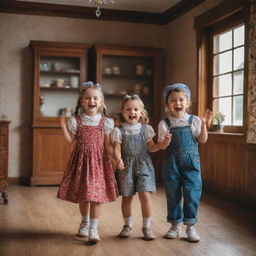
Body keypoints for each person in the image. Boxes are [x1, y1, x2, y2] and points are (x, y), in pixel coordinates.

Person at [57, 81, 118, 243]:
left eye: (95, 98)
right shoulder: (76, 121)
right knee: (84, 195)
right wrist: (63, 127)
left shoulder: (105, 122)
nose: (92, 101)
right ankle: (84, 222)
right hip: (81, 163)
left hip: (98, 163)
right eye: (88, 98)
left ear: (100, 102)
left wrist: (117, 158)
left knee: (95, 196)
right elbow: (71, 141)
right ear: (82, 101)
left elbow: (107, 146)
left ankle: (93, 228)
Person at [158, 83, 213, 242]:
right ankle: (175, 225)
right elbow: (161, 146)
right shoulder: (164, 124)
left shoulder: (194, 120)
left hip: (191, 163)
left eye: (181, 100)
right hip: (171, 164)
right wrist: (165, 142)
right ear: (167, 105)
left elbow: (202, 140)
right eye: (173, 100)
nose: (178, 103)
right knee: (173, 194)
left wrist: (204, 124)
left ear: (187, 103)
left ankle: (190, 226)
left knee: (192, 193)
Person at [112, 94, 160, 240]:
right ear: (122, 111)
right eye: (128, 109)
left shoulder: (146, 129)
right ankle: (127, 226)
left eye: (135, 109)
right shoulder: (119, 131)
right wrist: (118, 159)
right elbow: (117, 148)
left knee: (145, 195)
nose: (132, 112)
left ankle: (147, 227)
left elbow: (151, 147)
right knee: (127, 197)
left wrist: (161, 145)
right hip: (125, 166)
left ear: (141, 112)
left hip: (143, 165)